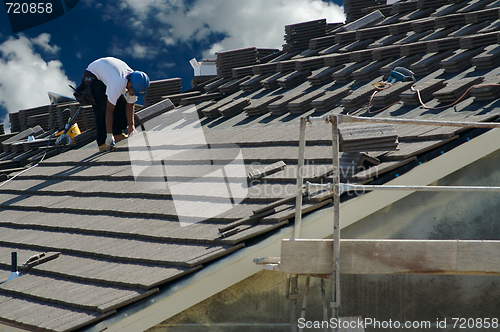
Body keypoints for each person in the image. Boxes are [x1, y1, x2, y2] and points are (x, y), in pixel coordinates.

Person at [81, 57, 150, 151]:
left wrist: (131, 126)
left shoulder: (135, 82)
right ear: (129, 84)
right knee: (102, 108)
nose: (133, 94)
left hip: (108, 73)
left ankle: (117, 133)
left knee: (122, 106)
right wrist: (109, 135)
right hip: (93, 76)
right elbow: (109, 110)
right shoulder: (117, 83)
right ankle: (102, 142)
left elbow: (130, 105)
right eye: (133, 92)